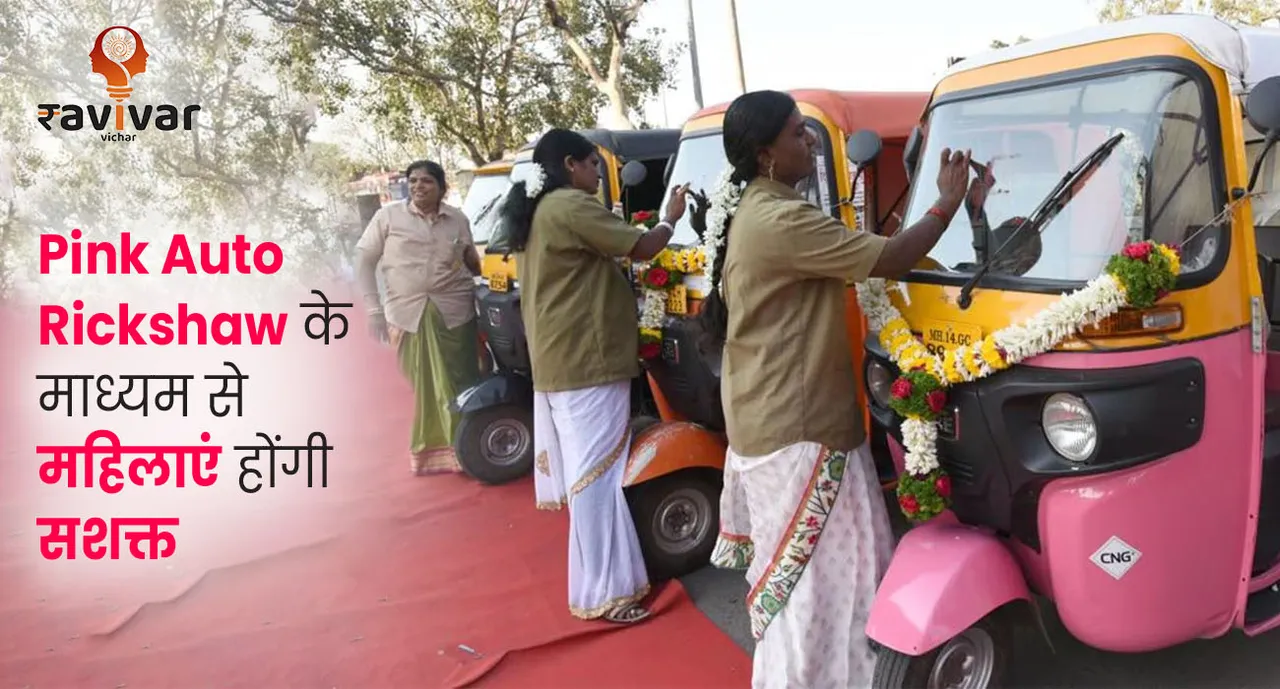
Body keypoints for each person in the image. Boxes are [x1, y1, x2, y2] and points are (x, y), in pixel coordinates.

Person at [699, 90, 972, 689]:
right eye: (799, 134)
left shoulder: (757, 209)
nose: (810, 142)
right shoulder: (781, 219)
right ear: (767, 152)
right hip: (798, 429)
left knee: (831, 576)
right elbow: (893, 255)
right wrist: (948, 204)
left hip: (773, 419)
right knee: (818, 589)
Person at [499, 128, 690, 624]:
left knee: (592, 474)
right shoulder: (568, 206)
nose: (598, 174)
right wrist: (670, 219)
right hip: (587, 360)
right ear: (569, 165)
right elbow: (643, 247)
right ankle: (605, 592)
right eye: (592, 166)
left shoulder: (542, 211)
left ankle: (607, 581)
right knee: (596, 478)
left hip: (565, 361)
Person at [356, 160, 484, 476]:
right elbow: (363, 261)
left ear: (443, 188)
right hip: (406, 314)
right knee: (425, 387)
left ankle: (467, 450)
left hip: (456, 315)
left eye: (426, 181)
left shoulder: (457, 219)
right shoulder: (388, 217)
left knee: (462, 384)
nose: (417, 187)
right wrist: (373, 308)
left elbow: (472, 263)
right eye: (413, 181)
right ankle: (434, 453)